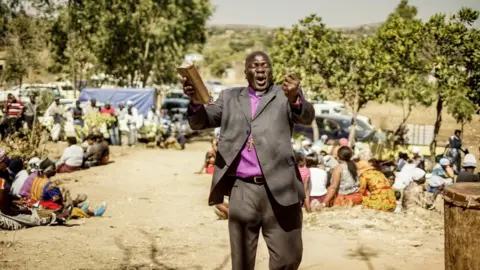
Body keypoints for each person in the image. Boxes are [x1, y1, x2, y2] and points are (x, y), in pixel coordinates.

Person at [183, 51, 314, 269]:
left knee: (288, 257)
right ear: (246, 72)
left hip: (281, 188)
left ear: (271, 71)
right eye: (254, 66)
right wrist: (195, 102)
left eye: (265, 65)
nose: (260, 69)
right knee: (242, 261)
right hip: (242, 190)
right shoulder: (229, 98)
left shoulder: (284, 96)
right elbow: (200, 122)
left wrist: (295, 98)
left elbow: (307, 117)